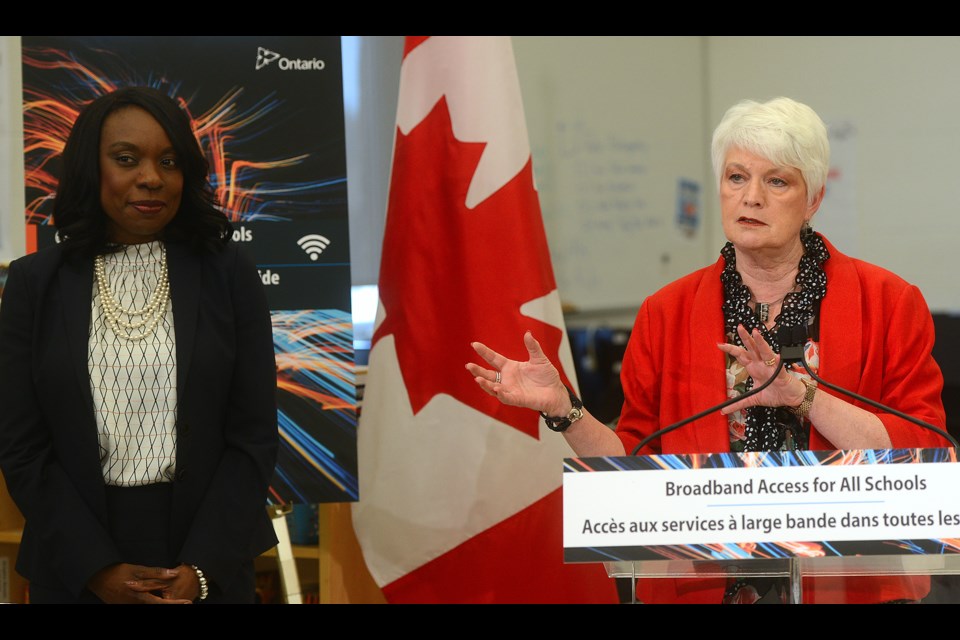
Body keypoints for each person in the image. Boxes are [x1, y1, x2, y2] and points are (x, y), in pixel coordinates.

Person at [466, 96, 948, 604]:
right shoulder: (665, 313)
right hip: (704, 586)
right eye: (736, 177)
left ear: (813, 200)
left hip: (852, 586)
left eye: (777, 181)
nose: (751, 197)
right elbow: (634, 468)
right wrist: (565, 410)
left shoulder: (889, 303)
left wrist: (802, 397)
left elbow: (922, 455)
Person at [0, 86, 279, 603]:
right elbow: (22, 447)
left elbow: (253, 437)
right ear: (91, 167)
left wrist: (200, 569)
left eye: (169, 161)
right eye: (126, 159)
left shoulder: (229, 275)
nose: (151, 178)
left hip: (207, 559)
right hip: (75, 562)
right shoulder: (33, 283)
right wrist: (97, 569)